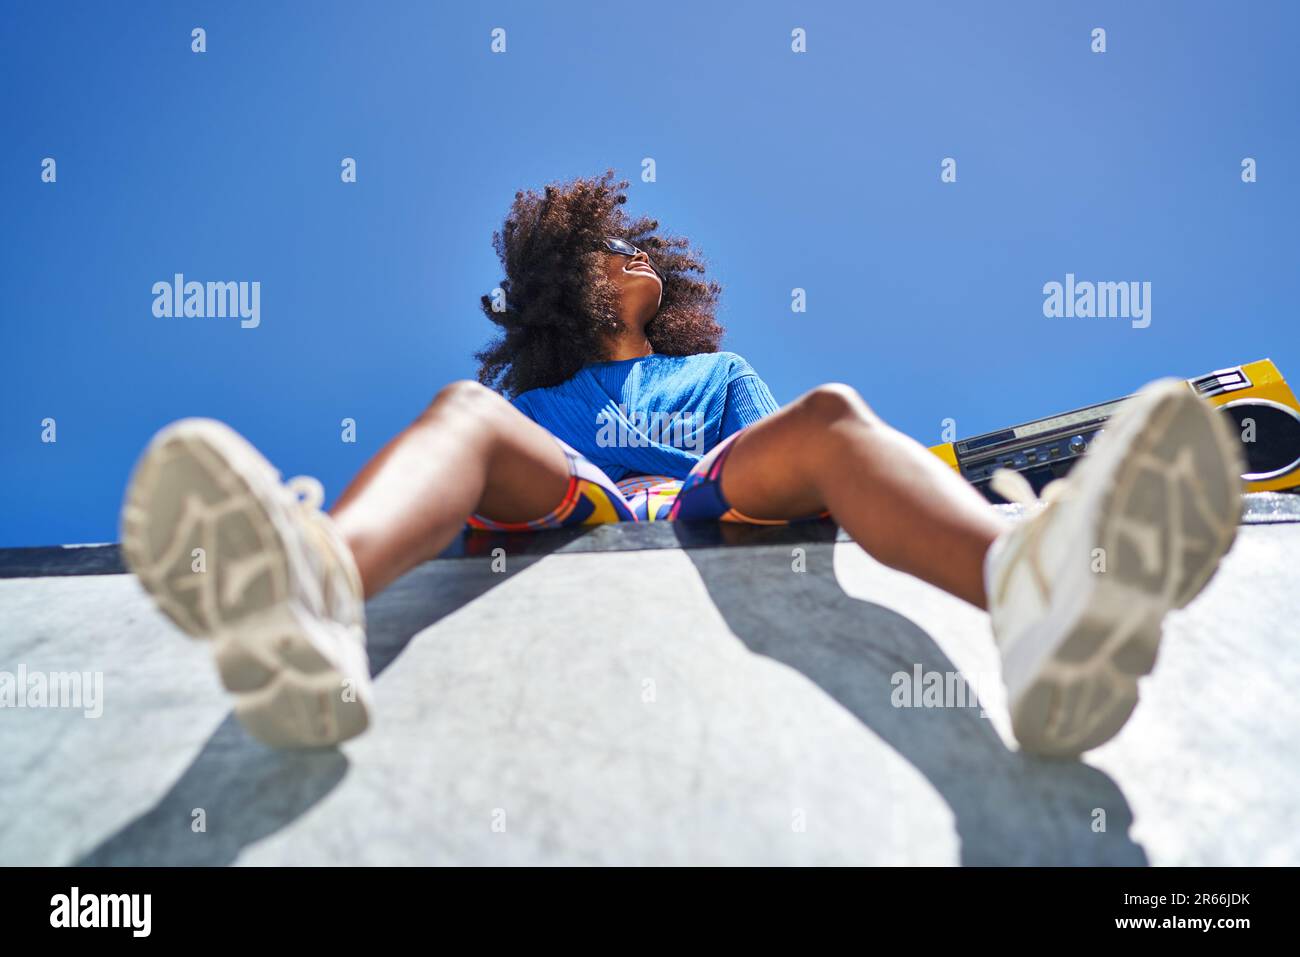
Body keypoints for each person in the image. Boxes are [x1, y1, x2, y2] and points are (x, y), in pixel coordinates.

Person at [120, 171, 1243, 757]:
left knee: (834, 412)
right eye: (615, 247)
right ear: (575, 280)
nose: (638, 251)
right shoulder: (531, 397)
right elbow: (495, 472)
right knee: (460, 411)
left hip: (704, 512)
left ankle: (1036, 596)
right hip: (577, 513)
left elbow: (770, 464)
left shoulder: (715, 374)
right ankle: (313, 588)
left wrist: (769, 481)